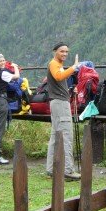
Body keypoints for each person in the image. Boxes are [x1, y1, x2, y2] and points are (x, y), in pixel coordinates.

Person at [46, 42, 81, 181]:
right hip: (60, 104)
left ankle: (50, 169)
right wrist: (74, 67)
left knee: (55, 136)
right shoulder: (54, 64)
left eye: (66, 51)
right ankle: (68, 170)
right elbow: (59, 77)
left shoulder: (58, 65)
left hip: (57, 102)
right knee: (66, 135)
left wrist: (70, 90)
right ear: (55, 51)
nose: (65, 54)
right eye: (62, 51)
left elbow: (59, 80)